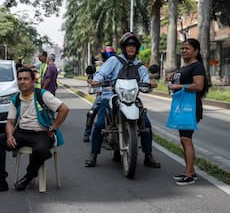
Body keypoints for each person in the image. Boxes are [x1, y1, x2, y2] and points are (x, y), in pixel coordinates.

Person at [0, 67, 69, 194]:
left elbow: (64, 109)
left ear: (33, 81)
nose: (22, 82)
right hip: (22, 133)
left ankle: (28, 177)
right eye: (19, 79)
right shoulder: (16, 99)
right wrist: (9, 136)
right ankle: (1, 181)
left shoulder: (43, 95)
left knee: (40, 150)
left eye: (25, 79)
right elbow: (10, 122)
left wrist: (53, 127)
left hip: (42, 133)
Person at [84, 32, 160, 168]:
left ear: (136, 48)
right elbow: (101, 73)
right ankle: (93, 154)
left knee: (146, 125)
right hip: (111, 96)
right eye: (128, 46)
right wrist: (96, 81)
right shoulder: (114, 61)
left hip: (132, 98)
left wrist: (149, 84)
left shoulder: (140, 65)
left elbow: (145, 82)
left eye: (133, 46)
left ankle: (148, 155)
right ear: (124, 47)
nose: (131, 48)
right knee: (100, 124)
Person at [167, 38, 208, 185]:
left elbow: (198, 86)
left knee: (186, 139)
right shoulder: (186, 66)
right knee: (184, 139)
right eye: (182, 48)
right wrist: (173, 75)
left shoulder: (197, 66)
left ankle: (189, 174)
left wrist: (180, 87)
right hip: (183, 107)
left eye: (187, 48)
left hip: (191, 108)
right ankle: (189, 171)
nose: (184, 51)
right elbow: (182, 77)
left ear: (196, 51)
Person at [83, 46, 116, 142]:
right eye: (107, 55)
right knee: (92, 112)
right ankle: (87, 133)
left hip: (116, 93)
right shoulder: (100, 67)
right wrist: (97, 88)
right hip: (103, 93)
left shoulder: (118, 65)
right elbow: (94, 78)